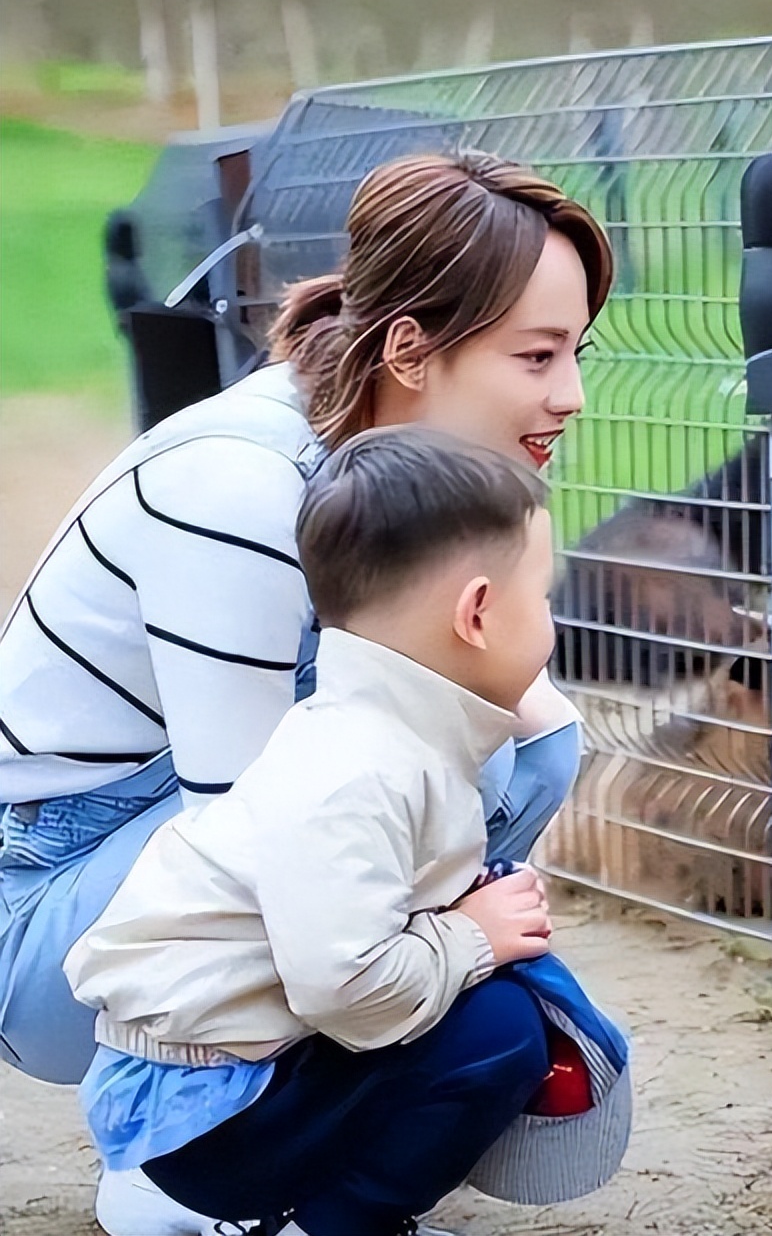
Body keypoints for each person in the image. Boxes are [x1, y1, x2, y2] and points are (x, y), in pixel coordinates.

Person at [0, 150, 612, 1235]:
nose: (566, 395)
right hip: (50, 917)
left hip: (190, 869)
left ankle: (321, 1110)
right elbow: (247, 827)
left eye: (573, 352)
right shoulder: (242, 487)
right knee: (457, 755)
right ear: (412, 349)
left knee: (529, 743)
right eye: (535, 355)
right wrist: (459, 943)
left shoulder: (400, 482)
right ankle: (176, 1149)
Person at [64, 429, 630, 1236]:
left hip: (246, 1067)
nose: (550, 617)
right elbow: (348, 991)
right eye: (541, 594)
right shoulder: (356, 771)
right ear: (476, 613)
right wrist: (471, 939)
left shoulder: (395, 736)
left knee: (495, 1006)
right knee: (498, 1031)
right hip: (205, 1116)